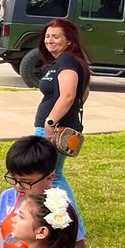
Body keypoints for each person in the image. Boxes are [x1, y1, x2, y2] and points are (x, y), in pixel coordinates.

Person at [33, 19, 90, 225]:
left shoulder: (68, 61)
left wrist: (50, 123)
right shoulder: (67, 62)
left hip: (53, 129)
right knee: (52, 176)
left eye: (56, 36)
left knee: (52, 177)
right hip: (54, 127)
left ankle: (73, 226)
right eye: (47, 36)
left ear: (69, 40)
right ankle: (58, 221)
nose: (50, 40)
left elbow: (68, 96)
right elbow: (83, 93)